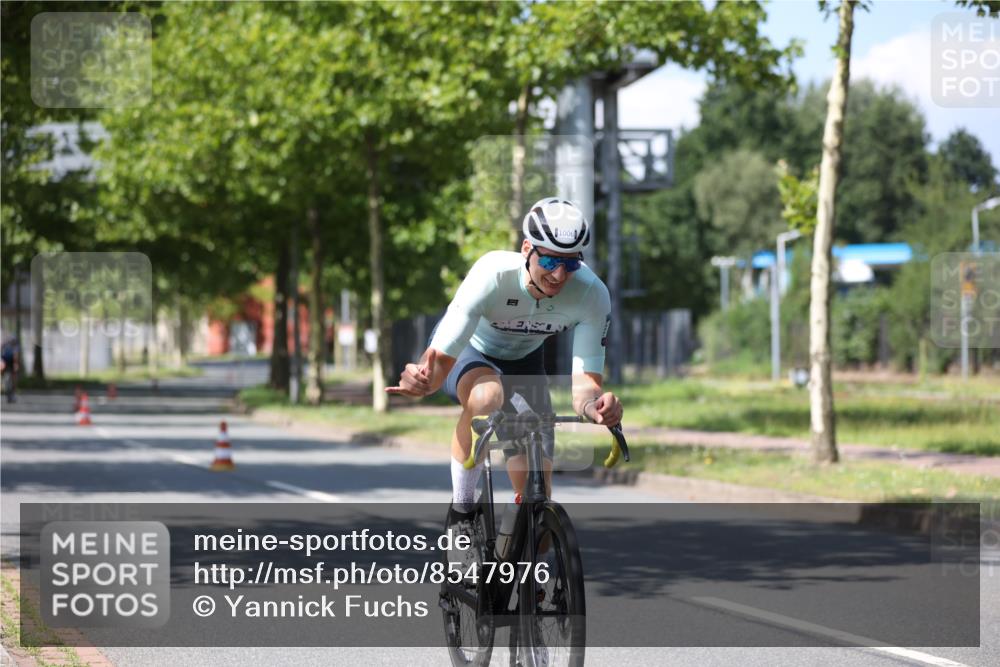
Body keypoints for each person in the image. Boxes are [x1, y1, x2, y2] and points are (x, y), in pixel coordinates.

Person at [387, 197, 623, 529]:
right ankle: (463, 512)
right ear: (527, 248)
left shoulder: (591, 294)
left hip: (525, 363)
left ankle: (514, 552)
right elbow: (442, 358)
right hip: (473, 352)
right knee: (487, 397)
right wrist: (424, 381)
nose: (558, 274)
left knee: (538, 516)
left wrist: (596, 407)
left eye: (570, 265)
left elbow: (585, 385)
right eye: (551, 260)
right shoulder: (492, 273)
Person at [1, 336, 20, 403]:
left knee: (7, 380)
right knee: (13, 380)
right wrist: (16, 364)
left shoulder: (5, 346)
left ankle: (9, 394)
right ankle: (12, 395)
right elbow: (15, 356)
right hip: (10, 364)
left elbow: (2, 356)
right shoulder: (15, 347)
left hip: (5, 364)